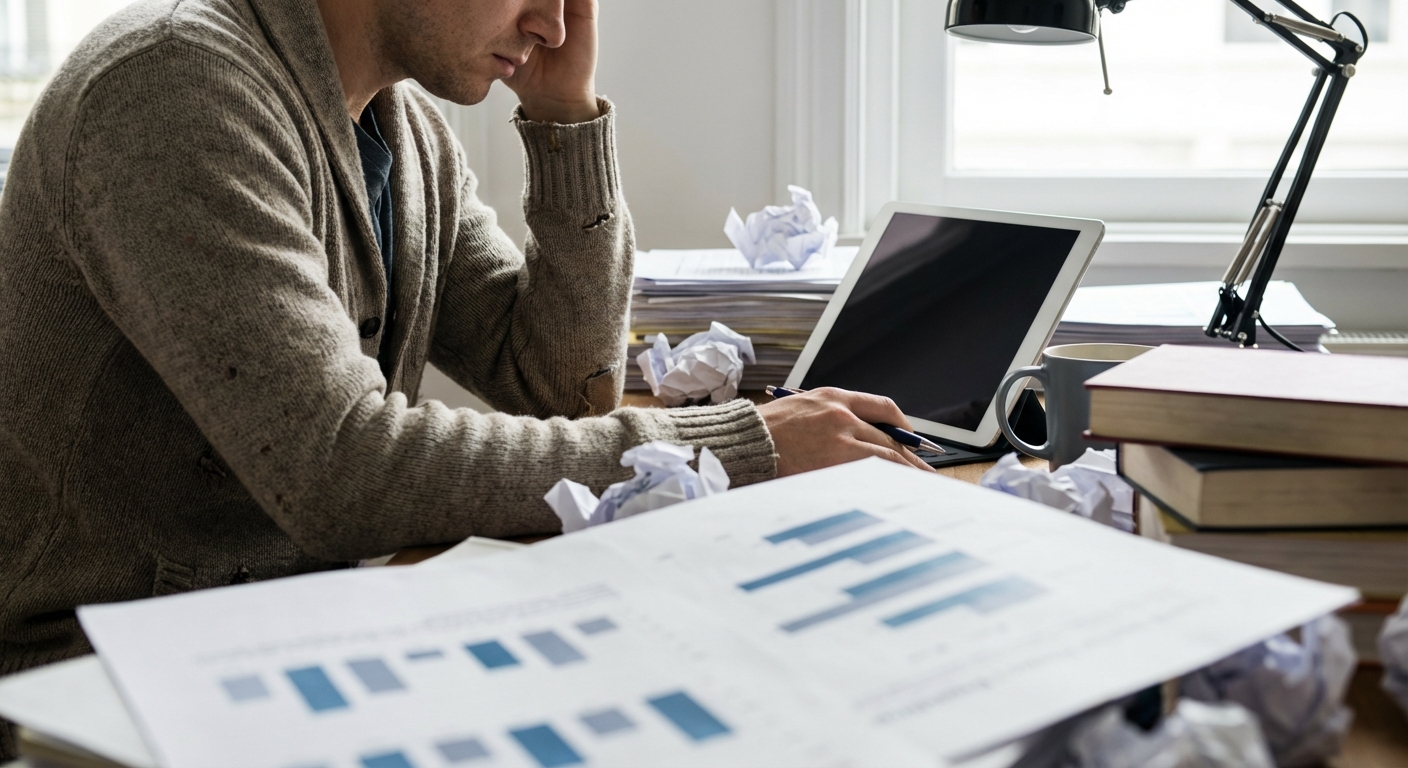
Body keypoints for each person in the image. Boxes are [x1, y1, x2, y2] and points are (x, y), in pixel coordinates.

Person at [0, 0, 933, 753]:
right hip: (87, 684)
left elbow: (559, 385)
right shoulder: (171, 86)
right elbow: (342, 467)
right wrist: (739, 446)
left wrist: (566, 119)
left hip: (274, 646)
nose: (554, 25)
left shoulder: (405, 132)